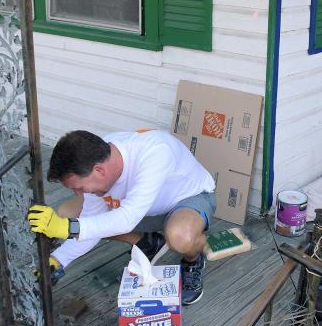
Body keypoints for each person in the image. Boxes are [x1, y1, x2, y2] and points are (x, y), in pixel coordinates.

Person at [25, 129, 216, 305]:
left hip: (186, 201)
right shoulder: (96, 158)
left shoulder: (155, 152)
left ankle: (193, 260)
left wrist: (68, 228)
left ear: (99, 170)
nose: (78, 193)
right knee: (69, 214)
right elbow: (90, 222)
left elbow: (126, 219)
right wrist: (57, 259)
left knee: (180, 236)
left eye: (80, 187)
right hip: (142, 209)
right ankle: (148, 243)